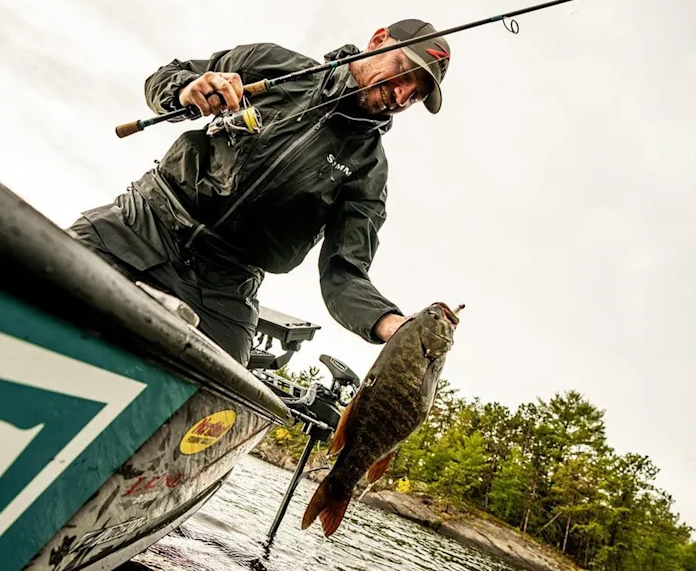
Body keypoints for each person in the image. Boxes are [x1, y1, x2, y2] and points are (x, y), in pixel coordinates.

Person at [67, 19, 452, 367]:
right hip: (140, 224)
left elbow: (344, 274)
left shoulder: (370, 172)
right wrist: (186, 88)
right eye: (405, 73)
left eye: (415, 95)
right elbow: (166, 77)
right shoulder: (274, 63)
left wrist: (391, 324)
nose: (401, 97)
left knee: (219, 395)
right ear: (378, 39)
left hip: (225, 288)